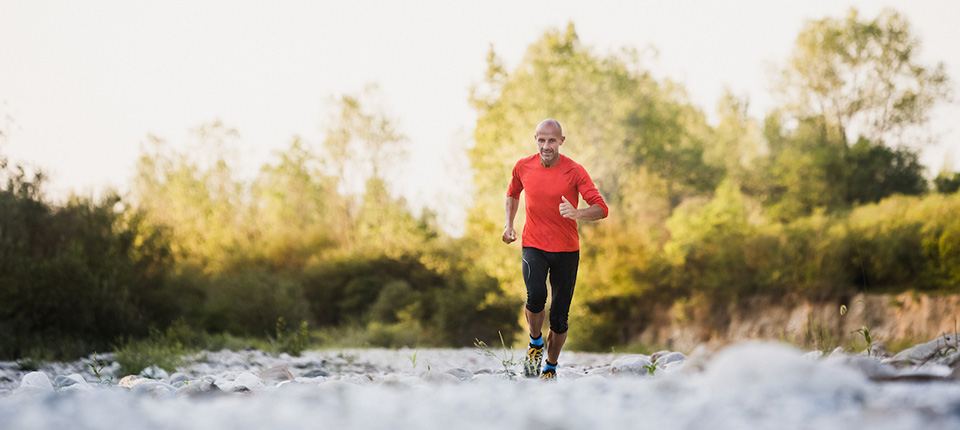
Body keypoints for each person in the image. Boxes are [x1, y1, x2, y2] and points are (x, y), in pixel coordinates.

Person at [502, 118, 608, 380]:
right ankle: (535, 342)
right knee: (535, 296)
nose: (546, 145)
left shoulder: (574, 171)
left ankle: (550, 366)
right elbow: (513, 193)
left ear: (561, 141)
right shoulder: (523, 166)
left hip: (566, 250)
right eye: (541, 140)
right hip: (534, 245)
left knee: (560, 316)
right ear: (535, 139)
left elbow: (601, 208)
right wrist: (509, 225)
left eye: (551, 140)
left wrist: (576, 213)